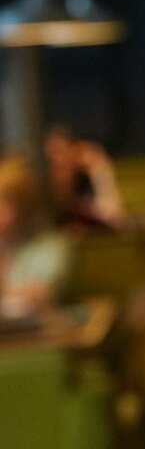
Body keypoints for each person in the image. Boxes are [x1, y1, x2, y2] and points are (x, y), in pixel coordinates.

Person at [0, 153, 76, 321]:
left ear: (23, 208)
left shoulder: (52, 246)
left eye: (4, 203)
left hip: (40, 331)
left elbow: (41, 294)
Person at [43, 123, 130, 232]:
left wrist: (99, 169)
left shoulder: (85, 195)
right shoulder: (38, 198)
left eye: (65, 165)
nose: (59, 173)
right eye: (52, 165)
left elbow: (114, 218)